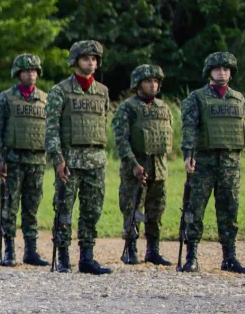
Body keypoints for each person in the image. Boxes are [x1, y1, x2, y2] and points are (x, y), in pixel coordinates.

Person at [45, 40, 112, 275]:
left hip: (95, 160)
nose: (90, 63)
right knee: (64, 209)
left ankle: (87, 257)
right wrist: (58, 159)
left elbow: (103, 122)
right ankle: (63, 257)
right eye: (85, 59)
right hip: (70, 160)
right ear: (75, 61)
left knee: (92, 210)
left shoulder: (102, 92)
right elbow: (51, 128)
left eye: (94, 59)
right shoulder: (60, 91)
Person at [178, 52, 245, 273]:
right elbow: (189, 127)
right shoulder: (197, 97)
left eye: (226, 69)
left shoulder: (239, 99)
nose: (222, 72)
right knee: (195, 210)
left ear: (231, 73)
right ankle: (191, 257)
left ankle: (229, 257)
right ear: (209, 72)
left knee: (229, 211)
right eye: (217, 69)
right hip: (203, 163)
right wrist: (188, 153)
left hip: (230, 164)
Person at [0, 53, 51, 267]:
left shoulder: (45, 99)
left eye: (34, 70)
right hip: (12, 160)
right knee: (9, 206)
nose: (31, 74)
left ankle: (31, 251)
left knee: (32, 207)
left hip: (37, 160)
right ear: (18, 73)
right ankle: (9, 250)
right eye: (26, 71)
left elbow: (51, 129)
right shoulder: (6, 98)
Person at [112, 64, 173, 266]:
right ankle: (131, 249)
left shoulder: (163, 108)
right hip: (136, 169)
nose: (152, 85)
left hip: (159, 169)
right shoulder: (127, 108)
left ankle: (153, 250)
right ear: (138, 84)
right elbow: (121, 141)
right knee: (133, 209)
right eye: (148, 81)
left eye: (155, 81)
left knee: (156, 211)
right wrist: (133, 164)